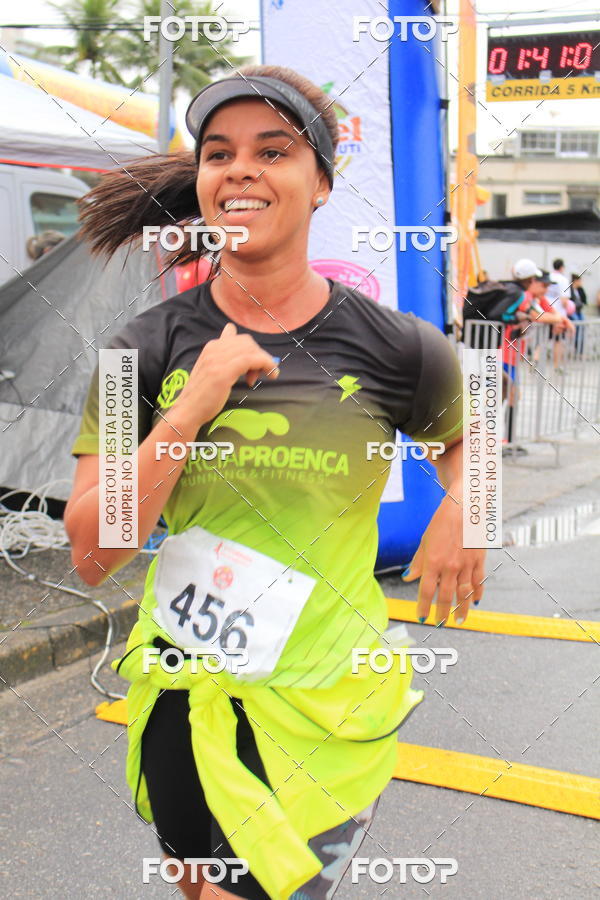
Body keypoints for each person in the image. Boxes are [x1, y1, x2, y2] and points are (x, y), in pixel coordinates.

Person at [64, 65, 486, 900]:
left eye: (274, 150)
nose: (241, 169)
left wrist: (470, 512)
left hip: (325, 702)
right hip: (188, 695)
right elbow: (91, 551)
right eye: (218, 153)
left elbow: (473, 442)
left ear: (320, 181)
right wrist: (190, 411)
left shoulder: (400, 347)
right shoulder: (136, 352)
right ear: (202, 182)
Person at [569, 274, 587, 355]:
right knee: (577, 326)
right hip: (572, 312)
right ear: (575, 281)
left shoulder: (580, 290)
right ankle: (577, 347)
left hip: (579, 311)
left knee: (583, 325)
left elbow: (584, 300)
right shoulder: (570, 289)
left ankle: (580, 349)